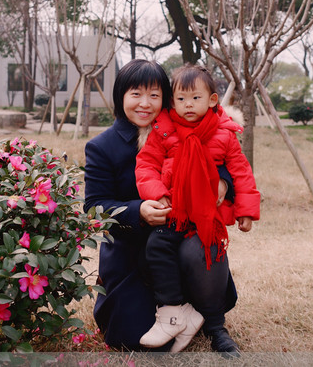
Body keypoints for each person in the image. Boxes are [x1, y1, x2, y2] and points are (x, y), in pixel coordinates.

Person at [83, 59, 241, 353]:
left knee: (200, 244)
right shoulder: (102, 147)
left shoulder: (183, 127)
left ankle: (211, 321)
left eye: (154, 95)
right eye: (136, 94)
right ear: (121, 96)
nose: (145, 104)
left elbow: (225, 158)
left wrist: (223, 181)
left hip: (180, 242)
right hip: (132, 255)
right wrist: (137, 210)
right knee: (132, 341)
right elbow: (94, 207)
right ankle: (182, 310)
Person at [135, 64, 261, 351]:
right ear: (172, 101)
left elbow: (241, 172)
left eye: (195, 98)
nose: (188, 105)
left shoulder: (225, 134)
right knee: (156, 247)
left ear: (212, 100)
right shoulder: (163, 131)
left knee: (208, 253)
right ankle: (173, 311)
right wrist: (157, 194)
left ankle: (216, 327)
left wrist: (246, 210)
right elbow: (146, 165)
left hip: (207, 216)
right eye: (180, 99)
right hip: (175, 213)